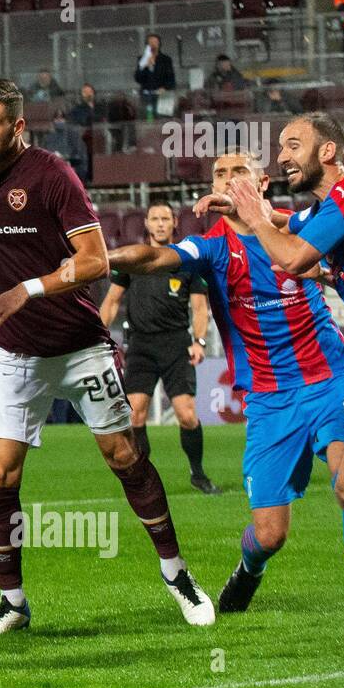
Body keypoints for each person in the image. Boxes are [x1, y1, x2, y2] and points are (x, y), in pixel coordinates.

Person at [0, 77, 213, 635]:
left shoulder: (53, 174)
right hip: (12, 351)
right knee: (0, 473)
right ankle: (13, 603)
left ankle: (177, 575)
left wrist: (24, 289)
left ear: (18, 126)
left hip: (78, 346)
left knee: (124, 456)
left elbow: (95, 260)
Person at [109, 150, 344, 620]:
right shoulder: (211, 247)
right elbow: (158, 256)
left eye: (238, 172)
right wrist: (101, 259)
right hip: (268, 400)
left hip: (330, 381)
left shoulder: (297, 230)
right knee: (269, 534)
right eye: (219, 174)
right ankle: (249, 568)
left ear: (261, 183)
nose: (227, 180)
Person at [223, 113, 344, 643]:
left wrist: (255, 217)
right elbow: (292, 227)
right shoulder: (334, 207)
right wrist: (249, 212)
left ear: (328, 151)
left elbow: (290, 258)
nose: (282, 156)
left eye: (293, 145)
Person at [99, 202, 217, 494]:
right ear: (147, 224)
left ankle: (198, 474)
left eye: (166, 218)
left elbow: (200, 308)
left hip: (176, 345)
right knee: (135, 414)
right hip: (140, 345)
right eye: (155, 219)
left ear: (175, 222)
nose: (161, 223)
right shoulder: (134, 260)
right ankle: (143, 479)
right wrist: (98, 336)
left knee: (187, 414)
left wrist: (199, 341)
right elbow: (112, 301)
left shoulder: (187, 260)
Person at [134, 33, 175, 118]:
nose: (153, 44)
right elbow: (138, 78)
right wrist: (145, 66)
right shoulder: (142, 59)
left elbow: (171, 79)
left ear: (159, 44)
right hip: (146, 96)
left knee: (163, 120)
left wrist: (165, 88)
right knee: (148, 120)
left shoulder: (166, 60)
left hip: (163, 96)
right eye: (150, 42)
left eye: (155, 42)